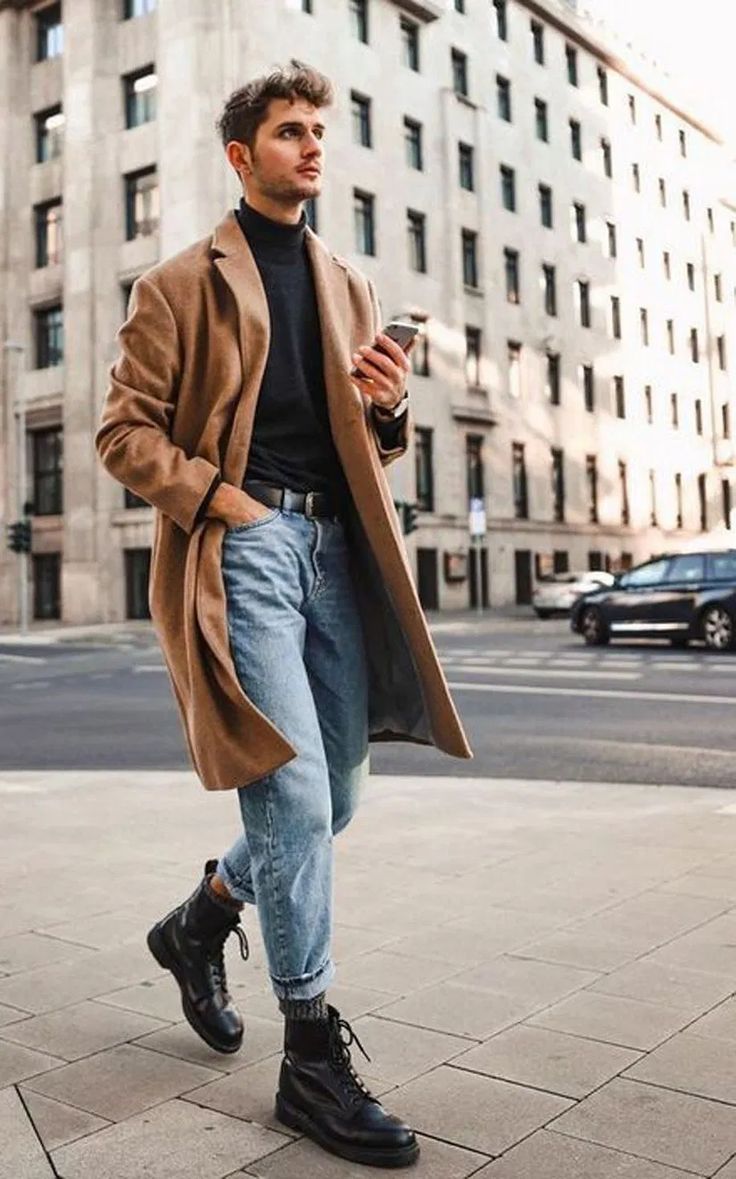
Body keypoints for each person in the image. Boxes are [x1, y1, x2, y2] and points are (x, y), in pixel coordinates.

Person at [95, 60, 472, 1169]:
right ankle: (310, 1055)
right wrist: (227, 503)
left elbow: (366, 439)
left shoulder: (345, 281)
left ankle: (202, 918)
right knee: (293, 790)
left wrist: (389, 407)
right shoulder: (177, 283)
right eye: (290, 132)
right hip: (246, 549)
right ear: (241, 153)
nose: (312, 147)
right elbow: (124, 433)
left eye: (318, 132)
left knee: (338, 790)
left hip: (336, 550)